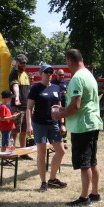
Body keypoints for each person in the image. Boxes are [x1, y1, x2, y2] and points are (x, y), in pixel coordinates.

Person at [52, 49, 102, 207]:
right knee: (92, 161)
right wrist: (62, 110)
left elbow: (75, 105)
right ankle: (95, 194)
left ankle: (84, 198)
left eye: (67, 63)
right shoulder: (89, 75)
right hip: (93, 123)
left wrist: (59, 115)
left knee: (84, 163)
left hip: (83, 126)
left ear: (70, 61)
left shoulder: (77, 78)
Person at [27, 62, 68, 192]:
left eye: (51, 72)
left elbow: (60, 107)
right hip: (39, 124)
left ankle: (52, 179)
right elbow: (29, 108)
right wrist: (29, 125)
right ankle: (43, 182)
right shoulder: (35, 88)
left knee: (61, 151)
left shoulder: (56, 88)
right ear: (41, 74)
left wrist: (62, 124)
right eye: (47, 72)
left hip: (54, 124)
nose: (50, 74)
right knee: (42, 153)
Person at [8, 53, 31, 149]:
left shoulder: (26, 74)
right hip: (17, 106)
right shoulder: (14, 73)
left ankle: (23, 151)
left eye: (25, 63)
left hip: (26, 106)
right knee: (15, 130)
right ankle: (11, 152)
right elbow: (15, 86)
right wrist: (17, 98)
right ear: (17, 62)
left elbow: (28, 91)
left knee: (24, 131)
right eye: (22, 63)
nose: (24, 64)